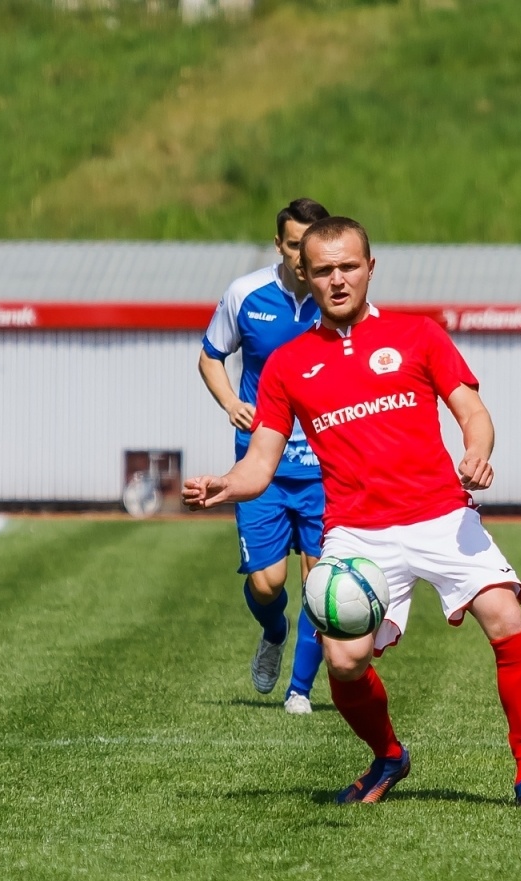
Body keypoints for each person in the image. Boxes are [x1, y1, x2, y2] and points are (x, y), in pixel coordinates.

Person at [182, 216, 521, 810]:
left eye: (349, 266)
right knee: (344, 658)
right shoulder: (286, 365)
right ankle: (388, 756)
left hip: (440, 514)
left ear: (370, 268)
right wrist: (223, 486)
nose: (338, 280)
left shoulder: (419, 335)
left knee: (505, 618)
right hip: (358, 531)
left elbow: (473, 411)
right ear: (303, 275)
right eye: (324, 270)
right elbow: (260, 463)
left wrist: (477, 454)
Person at [198, 198, 330, 715]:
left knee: (320, 586)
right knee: (267, 583)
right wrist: (231, 402)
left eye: (311, 244)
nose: (303, 255)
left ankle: (299, 691)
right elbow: (210, 357)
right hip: (262, 466)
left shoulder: (341, 300)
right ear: (279, 244)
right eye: (294, 244)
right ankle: (273, 632)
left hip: (326, 469)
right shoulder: (245, 294)